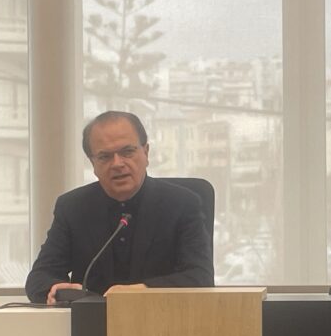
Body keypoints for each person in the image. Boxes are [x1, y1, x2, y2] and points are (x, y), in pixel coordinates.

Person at [25, 111, 214, 304]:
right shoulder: (73, 207)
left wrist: (142, 291)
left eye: (127, 152)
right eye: (105, 156)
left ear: (146, 153)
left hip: (162, 317)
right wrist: (55, 289)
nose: (117, 164)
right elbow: (39, 278)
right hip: (93, 321)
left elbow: (200, 277)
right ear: (93, 163)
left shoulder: (182, 204)